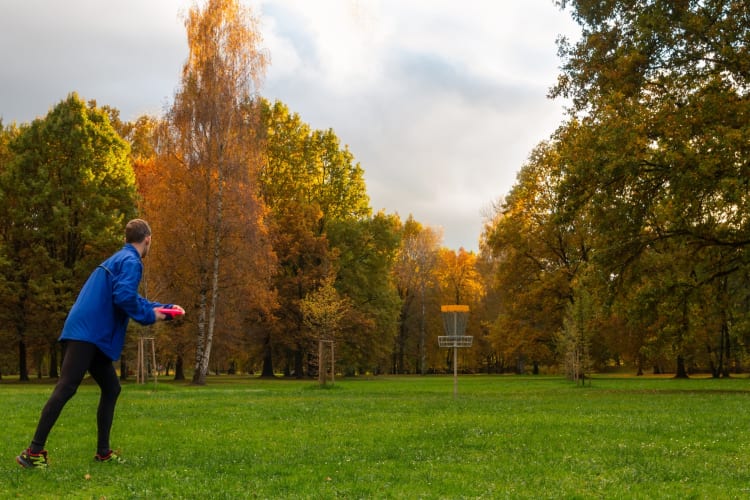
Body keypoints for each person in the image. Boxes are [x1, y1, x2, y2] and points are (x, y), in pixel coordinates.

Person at [16, 219, 185, 468]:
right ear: (147, 239)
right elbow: (124, 297)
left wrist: (163, 308)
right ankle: (33, 452)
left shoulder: (120, 258)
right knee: (66, 387)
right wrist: (152, 316)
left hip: (87, 329)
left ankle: (103, 453)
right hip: (89, 332)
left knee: (111, 388)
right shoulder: (132, 262)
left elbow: (130, 296)